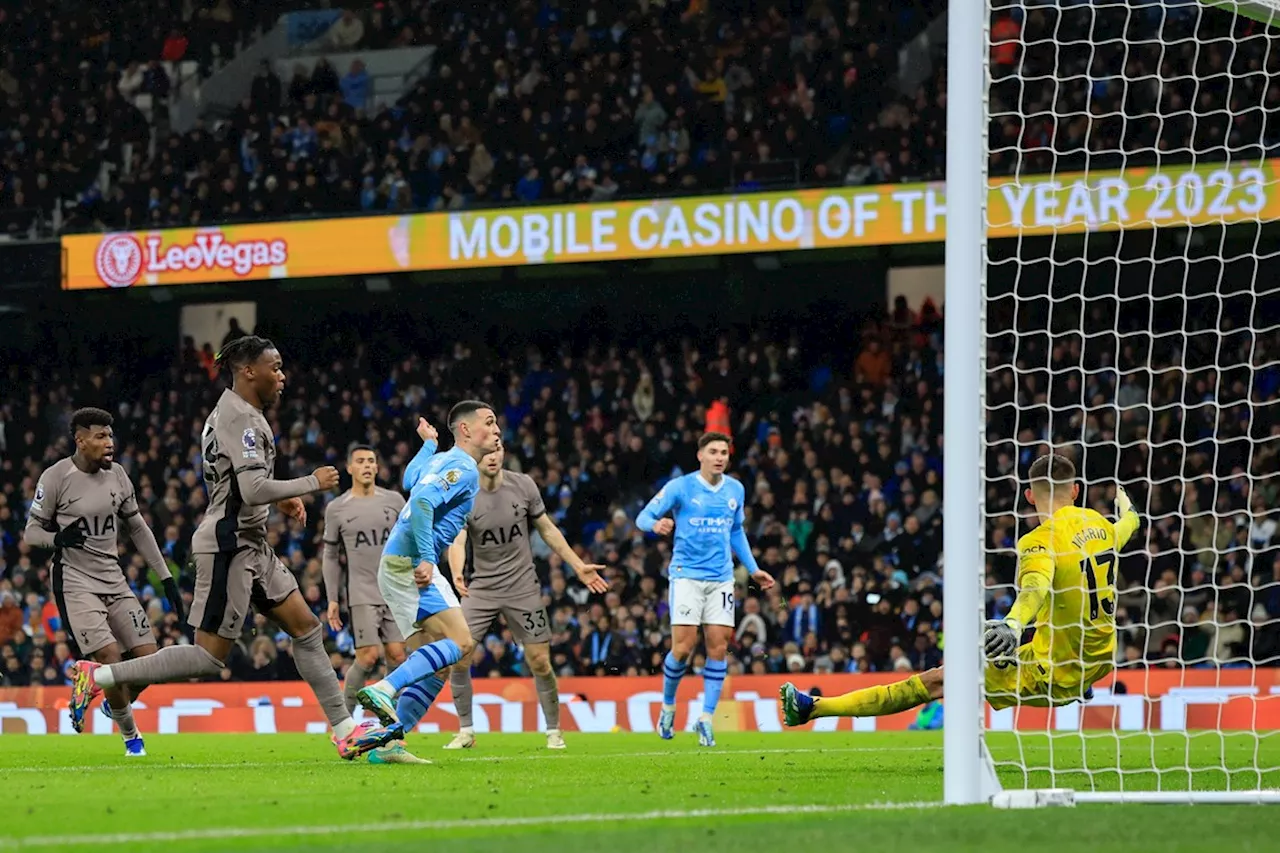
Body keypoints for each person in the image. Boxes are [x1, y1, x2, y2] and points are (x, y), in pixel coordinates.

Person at [67, 336, 393, 761]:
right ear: (247, 370)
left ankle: (345, 730)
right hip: (228, 546)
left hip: (252, 543)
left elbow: (242, 483)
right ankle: (100, 675)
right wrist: (310, 483)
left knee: (307, 629)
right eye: (274, 367)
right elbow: (251, 487)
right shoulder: (238, 417)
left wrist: (282, 497)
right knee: (208, 658)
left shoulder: (243, 414)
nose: (282, 375)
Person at [780, 453, 1141, 725]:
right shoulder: (1101, 525)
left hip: (1056, 670)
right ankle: (1082, 681)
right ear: (1076, 490)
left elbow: (1034, 588)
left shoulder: (1039, 539)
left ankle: (812, 708)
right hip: (1102, 656)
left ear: (1029, 496)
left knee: (939, 680)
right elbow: (1130, 525)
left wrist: (1013, 625)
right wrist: (1126, 505)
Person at [24, 407, 182, 755]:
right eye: (100, 436)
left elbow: (137, 527)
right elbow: (31, 533)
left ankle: (107, 697)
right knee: (111, 656)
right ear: (80, 440)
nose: (109, 443)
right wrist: (58, 540)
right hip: (76, 582)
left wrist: (166, 576)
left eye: (110, 435)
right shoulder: (55, 477)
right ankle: (132, 739)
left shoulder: (119, 476)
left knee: (148, 658)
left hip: (114, 579)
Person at [351, 402, 501, 751]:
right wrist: (428, 558)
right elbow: (421, 504)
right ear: (465, 429)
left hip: (396, 563)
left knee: (437, 664)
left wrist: (428, 445)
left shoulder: (440, 458)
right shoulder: (463, 466)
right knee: (462, 644)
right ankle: (383, 689)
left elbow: (409, 480)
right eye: (489, 423)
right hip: (410, 563)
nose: (496, 431)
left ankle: (388, 746)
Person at [443, 444, 608, 750]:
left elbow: (547, 529)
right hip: (482, 589)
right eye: (486, 452)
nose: (492, 457)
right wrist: (457, 570)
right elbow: (458, 538)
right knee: (460, 656)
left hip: (523, 587)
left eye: (497, 450)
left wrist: (578, 565)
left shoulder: (524, 485)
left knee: (540, 662)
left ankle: (554, 731)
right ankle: (466, 731)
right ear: (475, 458)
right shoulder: (464, 493)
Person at [636, 431, 775, 747]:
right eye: (713, 451)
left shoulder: (735, 490)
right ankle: (668, 707)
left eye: (724, 452)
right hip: (686, 576)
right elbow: (642, 516)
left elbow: (736, 531)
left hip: (721, 578)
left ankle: (705, 719)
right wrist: (655, 525)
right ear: (700, 455)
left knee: (717, 646)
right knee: (683, 648)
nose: (719, 457)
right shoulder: (681, 487)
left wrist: (753, 570)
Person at [323, 444, 427, 765]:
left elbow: (414, 534)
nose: (367, 466)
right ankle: (342, 724)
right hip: (363, 591)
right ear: (350, 469)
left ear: (377, 467)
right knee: (368, 656)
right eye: (361, 462)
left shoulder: (394, 501)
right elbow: (330, 555)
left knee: (397, 654)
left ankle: (384, 722)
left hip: (395, 589)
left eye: (372, 461)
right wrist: (332, 598)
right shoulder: (338, 508)